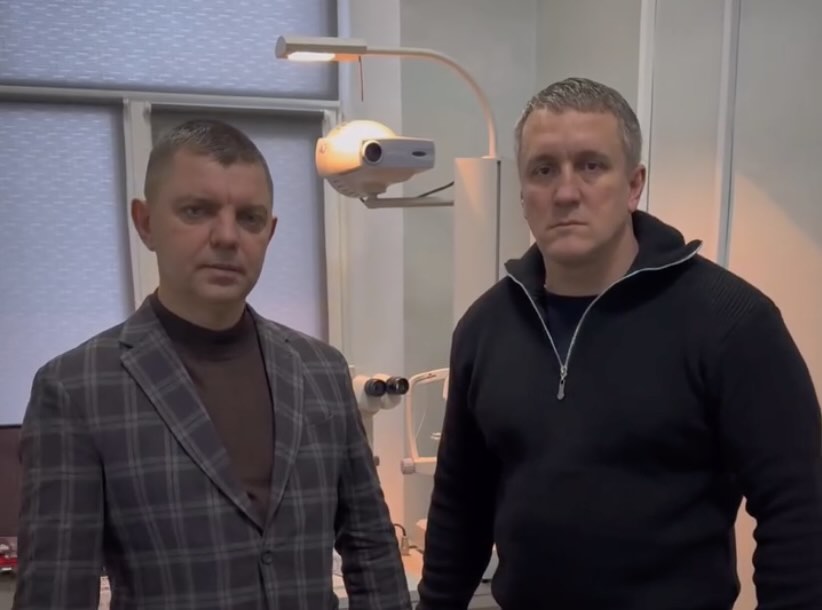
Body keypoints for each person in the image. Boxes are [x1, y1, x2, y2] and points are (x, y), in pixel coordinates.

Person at [417, 77, 822, 609]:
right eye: (544, 170)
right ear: (522, 195)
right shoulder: (485, 328)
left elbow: (798, 508)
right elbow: (459, 507)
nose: (566, 192)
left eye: (591, 166)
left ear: (634, 185)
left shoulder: (731, 322)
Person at [13, 119, 412, 610]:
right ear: (145, 223)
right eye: (196, 211)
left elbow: (372, 550)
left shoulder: (321, 371)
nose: (226, 236)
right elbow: (55, 592)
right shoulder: (77, 389)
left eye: (249, 218)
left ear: (269, 232)